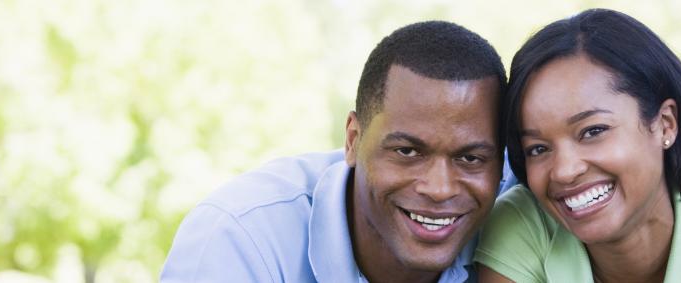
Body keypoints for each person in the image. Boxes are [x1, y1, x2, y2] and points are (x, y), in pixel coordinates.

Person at [161, 21, 515, 282]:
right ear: (353, 140)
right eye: (407, 151)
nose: (439, 189)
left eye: (470, 159)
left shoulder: (527, 215)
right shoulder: (237, 239)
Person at [475, 8, 681, 283]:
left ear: (665, 124)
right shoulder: (520, 224)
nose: (564, 171)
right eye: (537, 148)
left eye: (593, 131)